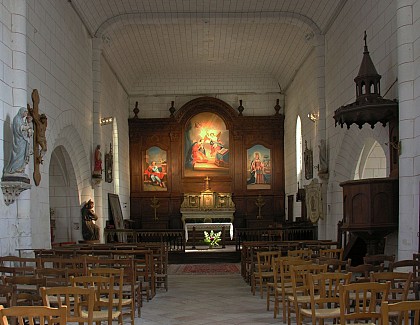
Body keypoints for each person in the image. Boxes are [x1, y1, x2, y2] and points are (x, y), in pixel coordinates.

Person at [3, 107, 33, 176]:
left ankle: (20, 169)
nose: (26, 114)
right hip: (18, 141)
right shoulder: (17, 118)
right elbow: (19, 128)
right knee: (18, 154)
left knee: (22, 155)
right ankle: (14, 169)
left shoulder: (21, 120)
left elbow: (24, 128)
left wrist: (28, 129)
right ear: (22, 111)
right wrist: (27, 128)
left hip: (23, 140)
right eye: (25, 112)